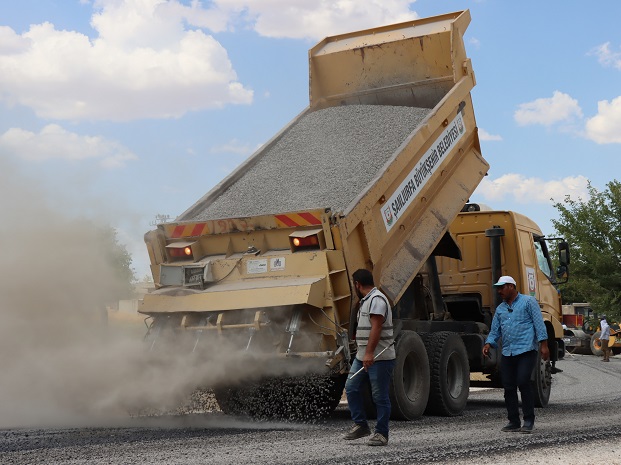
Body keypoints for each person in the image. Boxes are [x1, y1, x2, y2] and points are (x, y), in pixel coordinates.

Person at [482, 275, 549, 434]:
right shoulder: (500, 309)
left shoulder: (528, 302)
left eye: (502, 287)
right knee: (508, 386)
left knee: (523, 381)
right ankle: (513, 421)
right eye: (498, 288)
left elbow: (539, 323)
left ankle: (528, 420)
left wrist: (544, 344)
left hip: (526, 349)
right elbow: (495, 330)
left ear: (511, 286)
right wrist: (488, 343)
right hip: (508, 351)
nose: (499, 291)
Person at [343, 268, 396, 446]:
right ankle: (361, 425)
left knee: (379, 396)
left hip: (379, 357)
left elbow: (376, 328)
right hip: (363, 355)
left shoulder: (377, 300)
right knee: (351, 387)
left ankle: (381, 433)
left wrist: (369, 353)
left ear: (357, 284)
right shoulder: (366, 301)